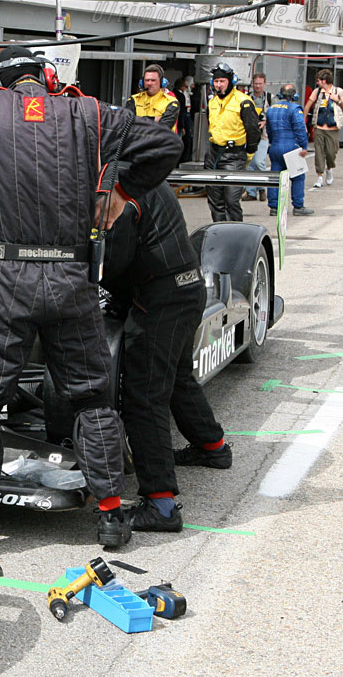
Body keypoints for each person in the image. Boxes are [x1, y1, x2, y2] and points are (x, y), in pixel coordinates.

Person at [0, 46, 182, 548]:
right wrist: (124, 193)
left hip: (6, 279)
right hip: (72, 278)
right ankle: (113, 517)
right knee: (92, 397)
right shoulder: (88, 111)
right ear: (47, 78)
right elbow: (163, 144)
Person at [101, 181, 232, 533]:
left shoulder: (116, 186)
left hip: (160, 299)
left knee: (144, 396)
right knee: (175, 376)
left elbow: (110, 262)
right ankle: (213, 446)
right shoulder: (140, 173)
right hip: (185, 289)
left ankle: (161, 505)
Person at [205, 63, 260, 222]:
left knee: (231, 200)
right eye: (216, 82)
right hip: (213, 154)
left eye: (222, 81)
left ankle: (235, 233)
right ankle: (219, 231)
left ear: (231, 81)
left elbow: (253, 130)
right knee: (215, 201)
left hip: (234, 156)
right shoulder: (212, 102)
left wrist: (249, 152)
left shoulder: (243, 101)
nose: (219, 85)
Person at [266, 84, 314, 217]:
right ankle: (298, 206)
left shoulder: (271, 109)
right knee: (298, 176)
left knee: (276, 178)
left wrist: (273, 142)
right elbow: (300, 128)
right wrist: (304, 146)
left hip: (275, 146)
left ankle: (274, 207)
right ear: (294, 96)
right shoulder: (295, 108)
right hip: (291, 147)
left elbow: (269, 130)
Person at [302, 68, 342, 189]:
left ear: (324, 80)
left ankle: (329, 168)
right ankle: (319, 175)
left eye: (319, 80)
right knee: (319, 152)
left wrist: (338, 101)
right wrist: (304, 123)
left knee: (331, 153)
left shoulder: (338, 91)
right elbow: (308, 106)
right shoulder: (317, 91)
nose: (317, 82)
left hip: (333, 128)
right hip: (319, 127)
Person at [244, 73, 272, 202]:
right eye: (256, 84)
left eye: (260, 83)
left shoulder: (270, 98)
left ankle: (262, 188)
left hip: (263, 135)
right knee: (249, 163)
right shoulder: (246, 98)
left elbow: (275, 114)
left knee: (259, 162)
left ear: (264, 83)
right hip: (248, 134)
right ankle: (251, 192)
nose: (258, 86)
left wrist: (265, 122)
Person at [125, 64, 179, 131]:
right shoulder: (133, 99)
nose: (149, 83)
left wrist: (137, 120)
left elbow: (164, 127)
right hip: (139, 141)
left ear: (161, 82)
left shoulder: (171, 102)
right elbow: (127, 123)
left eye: (153, 80)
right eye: (147, 80)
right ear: (142, 82)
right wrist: (155, 119)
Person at [173, 77, 193, 164]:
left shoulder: (172, 94)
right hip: (181, 121)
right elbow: (182, 112)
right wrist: (182, 126)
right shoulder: (181, 96)